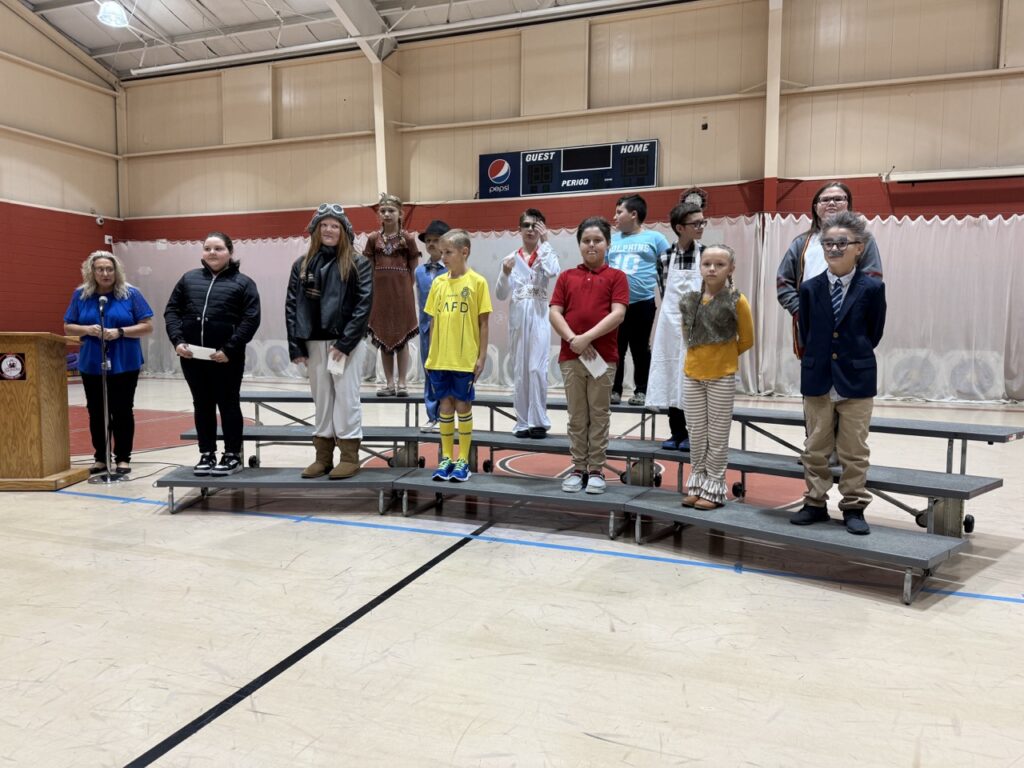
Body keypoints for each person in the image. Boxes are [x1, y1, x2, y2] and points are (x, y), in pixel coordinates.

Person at [790, 212, 886, 535]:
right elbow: (807, 331)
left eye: (842, 243)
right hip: (817, 378)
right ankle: (814, 502)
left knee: (854, 450)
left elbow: (873, 332)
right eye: (828, 243)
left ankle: (854, 506)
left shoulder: (872, 288)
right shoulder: (809, 288)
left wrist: (848, 356)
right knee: (815, 446)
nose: (833, 248)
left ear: (859, 247)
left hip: (856, 379)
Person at [286, 204, 374, 480]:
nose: (328, 230)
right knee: (322, 399)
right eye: (323, 225)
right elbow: (291, 306)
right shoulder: (301, 265)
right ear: (315, 230)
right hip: (314, 341)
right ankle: (322, 457)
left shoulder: (358, 263)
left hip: (345, 344)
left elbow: (363, 305)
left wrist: (345, 343)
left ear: (344, 231)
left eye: (334, 225)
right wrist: (296, 345)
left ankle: (349, 457)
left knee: (346, 398)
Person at [165, 232, 261, 476]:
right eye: (207, 248)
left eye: (218, 248)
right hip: (192, 357)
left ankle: (232, 456)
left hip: (226, 358)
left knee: (228, 404)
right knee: (202, 404)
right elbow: (172, 311)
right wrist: (178, 341)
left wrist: (229, 349)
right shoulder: (188, 279)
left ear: (230, 252)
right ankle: (206, 453)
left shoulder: (243, 283)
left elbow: (251, 319)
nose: (212, 253)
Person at [549, 217, 629, 494]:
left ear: (608, 243)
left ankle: (596, 469)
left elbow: (618, 314)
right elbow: (554, 312)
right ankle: (578, 468)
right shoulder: (566, 277)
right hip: (571, 356)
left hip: (603, 358)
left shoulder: (617, 277)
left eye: (597, 240)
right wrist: (573, 339)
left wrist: (587, 338)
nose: (591, 245)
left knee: (599, 414)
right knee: (576, 415)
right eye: (586, 240)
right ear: (579, 244)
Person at [63, 251, 154, 475]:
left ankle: (123, 457)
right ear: (91, 272)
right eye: (100, 269)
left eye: (109, 269)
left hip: (125, 362)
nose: (105, 273)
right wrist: (86, 329)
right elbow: (68, 326)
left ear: (116, 271)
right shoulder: (80, 295)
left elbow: (147, 326)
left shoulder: (131, 294)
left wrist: (120, 331)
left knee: (122, 410)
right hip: (92, 363)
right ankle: (101, 458)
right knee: (96, 411)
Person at [678, 244, 754, 510]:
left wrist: (724, 357)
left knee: (718, 435)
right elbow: (687, 336)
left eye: (719, 265)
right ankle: (697, 485)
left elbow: (747, 339)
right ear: (700, 267)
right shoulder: (689, 300)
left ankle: (714, 488)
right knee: (697, 434)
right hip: (692, 374)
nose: (712, 269)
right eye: (707, 264)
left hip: (721, 375)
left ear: (731, 268)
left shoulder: (737, 300)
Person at [776, 181, 883, 356]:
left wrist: (854, 311)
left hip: (850, 321)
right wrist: (800, 310)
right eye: (825, 200)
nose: (831, 203)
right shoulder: (801, 242)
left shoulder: (863, 240)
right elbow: (783, 281)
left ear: (848, 204)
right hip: (812, 321)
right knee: (814, 367)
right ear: (815, 207)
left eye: (838, 199)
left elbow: (873, 279)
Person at [424, 229, 491, 483]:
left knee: (462, 405)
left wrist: (481, 357)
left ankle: (463, 460)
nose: (443, 257)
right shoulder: (438, 283)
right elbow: (432, 321)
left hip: (464, 360)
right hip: (440, 359)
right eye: (442, 252)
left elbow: (483, 323)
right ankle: (446, 459)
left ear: (465, 252)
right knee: (445, 405)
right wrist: (431, 355)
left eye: (448, 252)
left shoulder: (478, 282)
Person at [494, 207, 560, 439]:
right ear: (519, 229)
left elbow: (553, 270)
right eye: (526, 225)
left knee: (537, 369)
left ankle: (538, 421)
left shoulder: (546, 252)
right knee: (520, 370)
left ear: (541, 228)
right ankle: (522, 422)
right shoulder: (510, 259)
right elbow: (501, 294)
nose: (530, 229)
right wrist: (504, 273)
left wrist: (546, 241)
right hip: (518, 317)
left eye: (535, 225)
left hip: (539, 315)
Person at [647, 201, 705, 451]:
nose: (701, 227)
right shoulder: (664, 257)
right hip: (671, 323)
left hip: (699, 324)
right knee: (671, 374)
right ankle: (676, 432)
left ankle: (695, 433)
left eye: (702, 222)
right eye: (696, 223)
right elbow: (664, 291)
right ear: (680, 228)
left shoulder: (707, 255)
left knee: (693, 378)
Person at [606, 194, 670, 406]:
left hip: (643, 302)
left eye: (619, 212)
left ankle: (642, 390)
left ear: (633, 214)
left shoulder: (655, 238)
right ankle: (614, 390)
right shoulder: (611, 240)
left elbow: (668, 268)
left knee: (640, 348)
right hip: (615, 304)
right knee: (615, 348)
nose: (614, 216)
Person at [364, 193, 419, 397]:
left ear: (400, 214)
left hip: (402, 294)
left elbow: (413, 267)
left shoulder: (408, 239)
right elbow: (369, 268)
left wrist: (405, 289)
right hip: (380, 294)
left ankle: (402, 383)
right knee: (383, 338)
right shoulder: (373, 239)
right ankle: (389, 383)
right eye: (383, 211)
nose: (387, 214)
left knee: (402, 338)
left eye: (391, 211)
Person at [414, 219, 451, 432]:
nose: (431, 244)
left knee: (445, 372)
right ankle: (432, 415)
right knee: (429, 370)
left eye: (435, 240)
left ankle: (446, 414)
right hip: (427, 329)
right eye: (428, 240)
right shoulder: (419, 272)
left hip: (447, 329)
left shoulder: (452, 271)